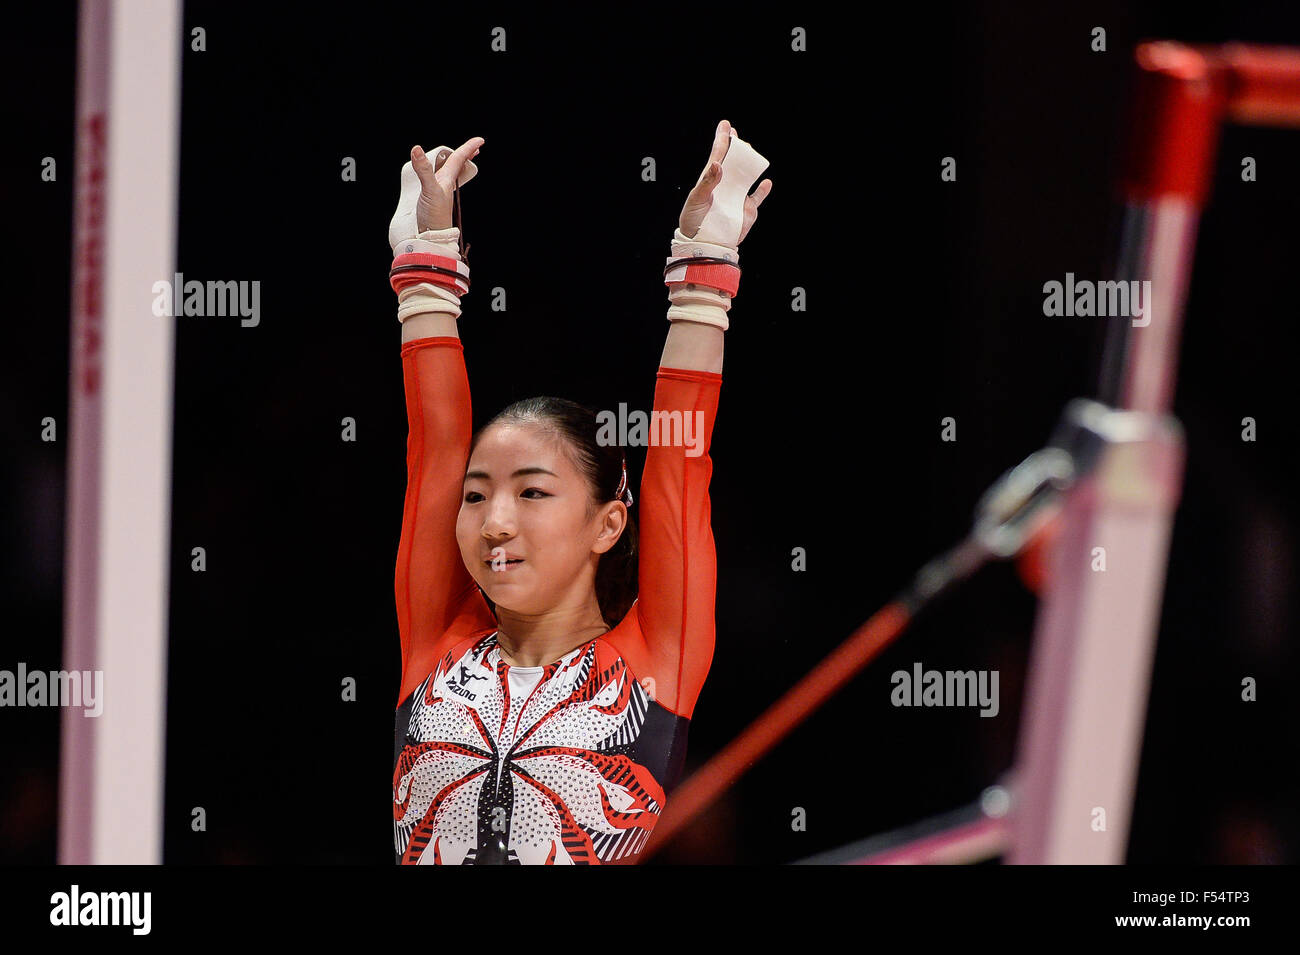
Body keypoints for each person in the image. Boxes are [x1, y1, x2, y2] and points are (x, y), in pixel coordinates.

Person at [390, 120, 772, 864]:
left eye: (532, 494)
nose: (494, 520)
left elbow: (680, 469)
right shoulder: (435, 645)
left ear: (608, 524)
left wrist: (704, 269)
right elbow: (434, 450)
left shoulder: (657, 655)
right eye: (477, 496)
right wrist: (425, 264)